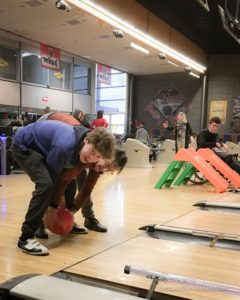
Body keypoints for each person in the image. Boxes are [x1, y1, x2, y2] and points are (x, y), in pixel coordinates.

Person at [11, 121, 115, 255]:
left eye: (98, 156)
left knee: (69, 182)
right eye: (92, 151)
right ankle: (26, 237)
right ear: (86, 140)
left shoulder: (84, 153)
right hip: (24, 146)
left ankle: (66, 222)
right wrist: (52, 210)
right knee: (46, 185)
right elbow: (54, 179)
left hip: (45, 148)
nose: (91, 157)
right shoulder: (65, 146)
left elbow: (68, 179)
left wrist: (66, 216)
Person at [35, 112, 109, 236]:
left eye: (110, 170)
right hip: (46, 125)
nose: (105, 170)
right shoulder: (88, 147)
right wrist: (55, 208)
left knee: (75, 182)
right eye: (108, 166)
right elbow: (62, 179)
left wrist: (70, 213)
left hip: (74, 141)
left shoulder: (99, 158)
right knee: (47, 182)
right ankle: (39, 223)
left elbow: (87, 188)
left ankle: (87, 219)